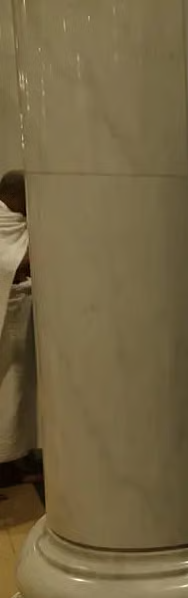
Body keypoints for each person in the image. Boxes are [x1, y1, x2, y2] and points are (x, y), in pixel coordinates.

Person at [0, 171, 37, 486]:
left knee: (22, 393)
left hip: (19, 320)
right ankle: (5, 464)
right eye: (26, 197)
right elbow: (14, 263)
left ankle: (18, 454)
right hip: (5, 326)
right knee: (8, 392)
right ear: (13, 196)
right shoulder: (2, 221)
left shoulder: (17, 221)